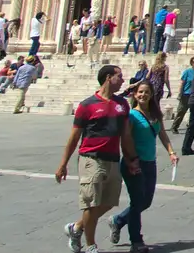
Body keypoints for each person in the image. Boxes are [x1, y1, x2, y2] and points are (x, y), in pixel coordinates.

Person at [56, 64, 138, 253]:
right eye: (120, 76)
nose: (123, 80)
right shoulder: (87, 105)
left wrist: (131, 158)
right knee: (91, 202)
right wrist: (63, 164)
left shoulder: (122, 104)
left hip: (112, 158)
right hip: (91, 158)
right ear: (108, 78)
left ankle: (76, 228)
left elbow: (125, 135)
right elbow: (74, 137)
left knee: (109, 201)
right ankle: (91, 245)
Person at [108, 79, 176, 253]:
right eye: (140, 92)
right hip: (133, 162)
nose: (143, 95)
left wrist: (171, 152)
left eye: (146, 92)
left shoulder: (155, 114)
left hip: (150, 162)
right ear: (135, 94)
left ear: (151, 94)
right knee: (137, 201)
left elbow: (162, 134)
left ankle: (118, 220)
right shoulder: (131, 115)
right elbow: (125, 139)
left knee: (146, 202)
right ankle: (136, 241)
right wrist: (131, 160)